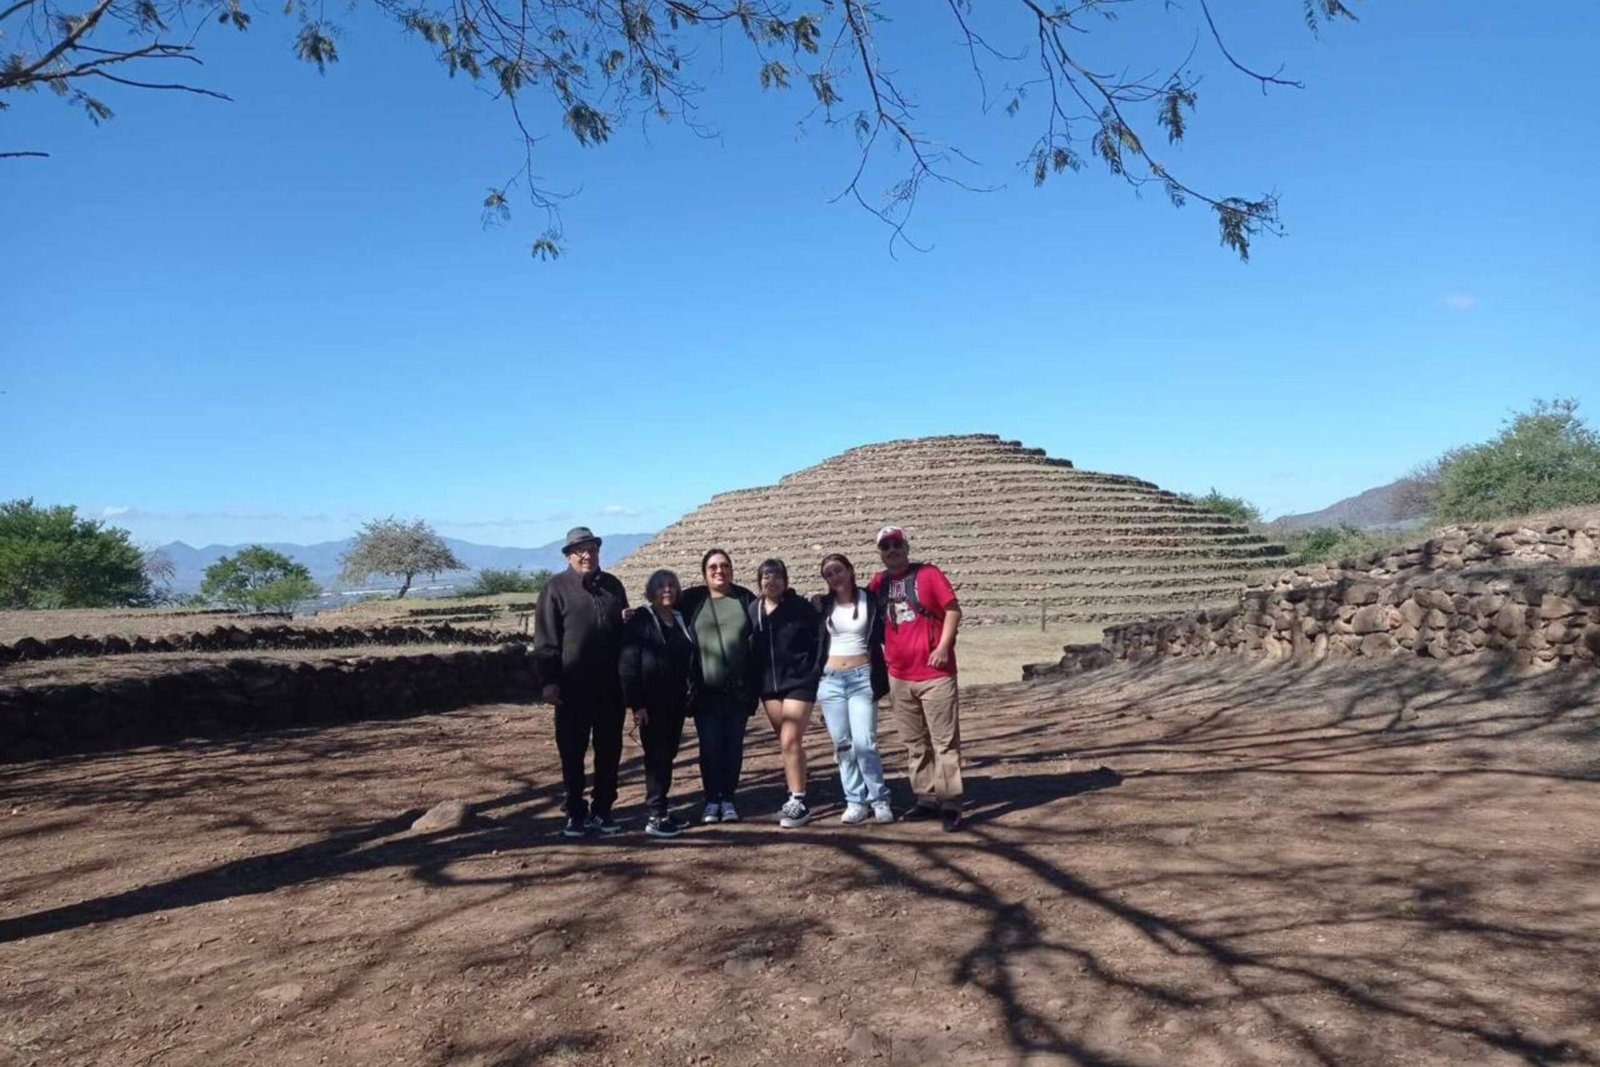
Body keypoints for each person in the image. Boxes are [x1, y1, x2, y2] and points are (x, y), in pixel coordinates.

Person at [533, 526, 630, 838]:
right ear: (569, 556)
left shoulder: (613, 586)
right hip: (572, 689)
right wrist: (549, 681)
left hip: (610, 688)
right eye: (580, 551)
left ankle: (603, 809)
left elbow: (624, 635)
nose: (587, 555)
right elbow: (546, 641)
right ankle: (575, 812)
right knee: (572, 754)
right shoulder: (555, 589)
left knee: (609, 752)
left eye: (592, 549)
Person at [868, 525, 965, 831]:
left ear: (907, 547)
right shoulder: (878, 583)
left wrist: (943, 646)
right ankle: (926, 797)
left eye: (897, 544)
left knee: (944, 741)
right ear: (880, 553)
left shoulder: (928, 574)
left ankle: (950, 802)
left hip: (935, 673)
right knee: (914, 741)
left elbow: (952, 611)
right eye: (885, 546)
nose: (892, 550)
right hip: (899, 675)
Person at [677, 548, 758, 824]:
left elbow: (767, 620)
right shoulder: (691, 601)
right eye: (713, 567)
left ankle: (728, 799)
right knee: (710, 747)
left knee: (733, 747)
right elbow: (661, 609)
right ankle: (712, 799)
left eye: (724, 566)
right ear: (704, 573)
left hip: (738, 690)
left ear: (732, 570)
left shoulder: (745, 598)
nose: (719, 571)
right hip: (705, 691)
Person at [814, 553, 895, 825]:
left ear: (850, 570)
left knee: (865, 742)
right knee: (843, 745)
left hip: (862, 677)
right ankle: (855, 800)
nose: (834, 577)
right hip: (830, 680)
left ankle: (879, 798)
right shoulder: (822, 605)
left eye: (838, 570)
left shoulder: (870, 600)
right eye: (829, 574)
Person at [619, 569, 697, 839]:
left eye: (672, 585)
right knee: (656, 757)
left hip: (676, 701)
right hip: (651, 703)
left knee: (668, 755)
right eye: (661, 586)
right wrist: (636, 704)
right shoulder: (640, 620)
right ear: (651, 591)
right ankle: (655, 815)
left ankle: (663, 808)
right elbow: (628, 664)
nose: (667, 590)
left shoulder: (680, 619)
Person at [749, 558, 823, 828]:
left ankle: (798, 801)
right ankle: (797, 786)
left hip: (799, 682)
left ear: (786, 580)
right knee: (787, 742)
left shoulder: (800, 607)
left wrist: (814, 671)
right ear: (759, 582)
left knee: (790, 739)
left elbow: (820, 637)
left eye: (777, 576)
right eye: (766, 576)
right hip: (769, 686)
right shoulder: (754, 609)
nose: (772, 581)